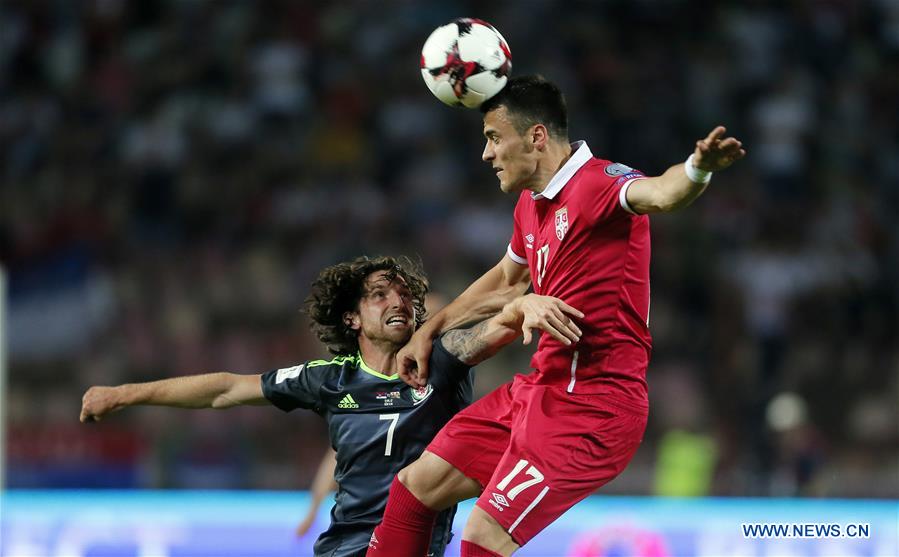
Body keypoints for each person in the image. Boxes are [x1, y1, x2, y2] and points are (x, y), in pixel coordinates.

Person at [366, 75, 746, 557]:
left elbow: (662, 193)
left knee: (484, 534)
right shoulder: (531, 205)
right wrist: (429, 331)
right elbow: (506, 282)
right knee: (415, 487)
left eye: (494, 138)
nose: (486, 154)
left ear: (537, 137)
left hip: (594, 407)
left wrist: (697, 168)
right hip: (540, 389)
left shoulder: (599, 184)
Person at [81, 255, 576, 557]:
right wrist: (126, 393)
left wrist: (521, 307)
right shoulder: (329, 379)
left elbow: (498, 328)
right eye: (379, 295)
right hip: (347, 549)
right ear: (352, 318)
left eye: (404, 293)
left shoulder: (442, 360)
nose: (397, 301)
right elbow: (226, 390)